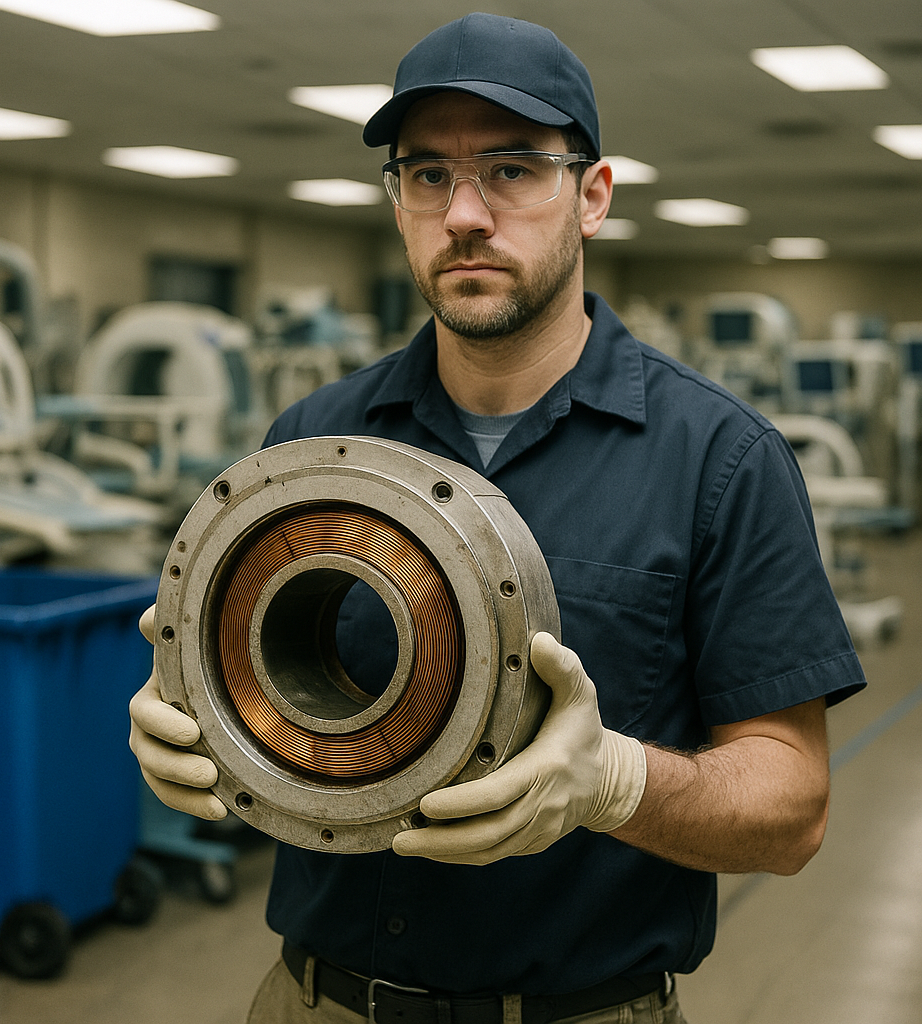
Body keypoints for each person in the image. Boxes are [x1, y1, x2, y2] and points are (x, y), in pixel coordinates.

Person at [129, 13, 866, 1023]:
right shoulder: (314, 440)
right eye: (426, 174)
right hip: (316, 1002)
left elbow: (791, 810)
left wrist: (616, 783)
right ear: (396, 202)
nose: (464, 213)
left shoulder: (719, 460)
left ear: (592, 195)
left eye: (512, 169)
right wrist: (195, 713)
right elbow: (256, 686)